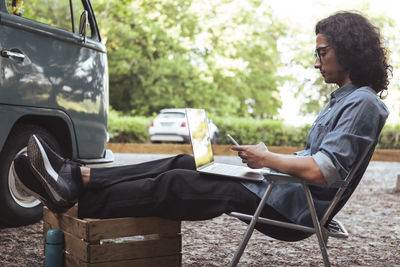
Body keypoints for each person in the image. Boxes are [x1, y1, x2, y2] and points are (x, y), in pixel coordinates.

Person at [14, 11, 390, 242]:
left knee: (178, 183)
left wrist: (268, 158)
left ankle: (76, 197)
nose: (316, 62)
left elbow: (323, 172)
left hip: (293, 209)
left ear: (348, 50)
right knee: (181, 162)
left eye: (321, 52)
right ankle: (74, 176)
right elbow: (314, 160)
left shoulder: (364, 104)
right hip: (281, 192)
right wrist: (264, 160)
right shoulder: (345, 99)